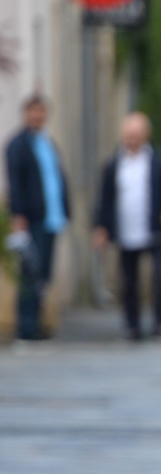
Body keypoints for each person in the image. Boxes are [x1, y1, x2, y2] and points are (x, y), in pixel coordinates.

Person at [93, 112, 161, 340]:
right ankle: (132, 324)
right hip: (126, 229)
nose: (131, 138)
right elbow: (105, 198)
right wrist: (101, 226)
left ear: (145, 136)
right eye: (128, 134)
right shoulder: (114, 165)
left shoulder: (159, 162)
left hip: (154, 228)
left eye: (136, 134)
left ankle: (160, 322)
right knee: (129, 280)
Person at [5, 95, 70, 341]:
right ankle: (26, 325)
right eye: (33, 111)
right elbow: (15, 183)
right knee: (29, 274)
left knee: (43, 275)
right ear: (25, 114)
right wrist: (18, 215)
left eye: (41, 111)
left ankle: (38, 321)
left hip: (51, 218)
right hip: (31, 219)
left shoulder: (46, 143)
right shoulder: (18, 145)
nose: (37, 116)